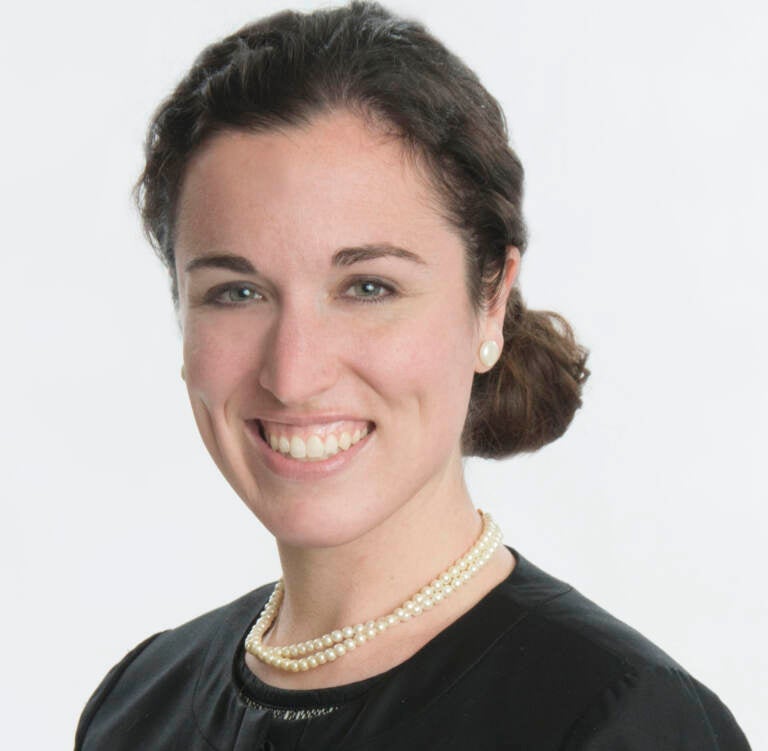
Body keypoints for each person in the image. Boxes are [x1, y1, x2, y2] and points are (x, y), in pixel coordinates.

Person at [75, 2, 752, 749]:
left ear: (489, 302)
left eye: (368, 287)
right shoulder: (137, 705)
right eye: (237, 292)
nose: (294, 374)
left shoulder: (621, 723)